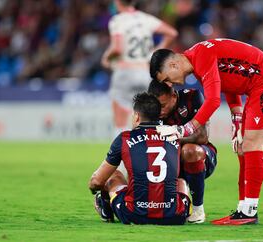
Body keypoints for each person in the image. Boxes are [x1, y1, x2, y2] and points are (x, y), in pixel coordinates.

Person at [149, 38, 263, 225]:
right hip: (258, 84)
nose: (170, 84)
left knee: (251, 144)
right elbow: (229, 81)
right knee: (242, 147)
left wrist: (183, 129)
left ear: (173, 64)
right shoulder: (198, 60)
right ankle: (243, 209)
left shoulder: (201, 57)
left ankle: (249, 211)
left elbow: (213, 100)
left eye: (166, 78)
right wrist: (236, 115)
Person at [88, 92, 190, 225]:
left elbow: (96, 181)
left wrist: (95, 189)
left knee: (114, 175)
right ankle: (193, 213)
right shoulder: (173, 136)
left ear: (136, 116)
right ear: (158, 116)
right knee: (180, 181)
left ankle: (106, 210)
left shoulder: (125, 138)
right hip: (174, 216)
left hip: (134, 214)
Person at [101, 0, 178, 134]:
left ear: (118, 2)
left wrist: (106, 58)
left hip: (125, 71)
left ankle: (121, 153)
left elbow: (117, 49)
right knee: (146, 117)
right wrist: (153, 53)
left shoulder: (117, 21)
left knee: (120, 119)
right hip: (144, 71)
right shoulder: (145, 19)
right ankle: (146, 150)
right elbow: (172, 33)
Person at [148, 80, 217, 223]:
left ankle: (198, 210)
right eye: (156, 107)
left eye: (162, 106)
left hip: (200, 158)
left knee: (190, 150)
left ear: (173, 96)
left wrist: (175, 135)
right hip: (167, 163)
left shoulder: (192, 98)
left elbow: (202, 136)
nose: (159, 111)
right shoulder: (150, 109)